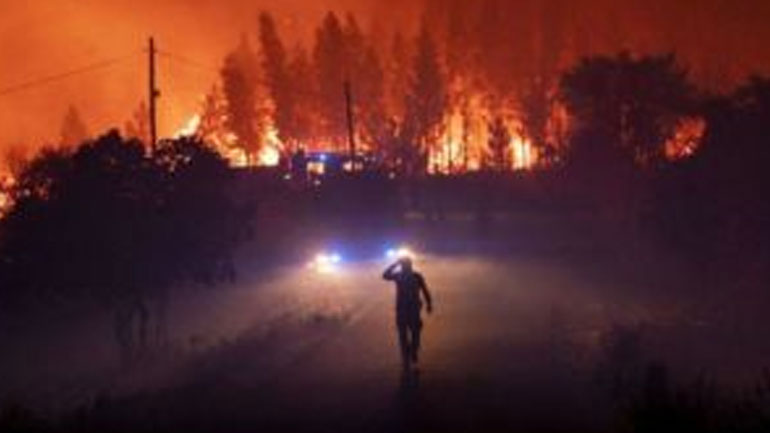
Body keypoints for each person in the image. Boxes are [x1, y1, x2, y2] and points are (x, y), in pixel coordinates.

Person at [382, 257, 433, 371]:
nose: (405, 267)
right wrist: (429, 304)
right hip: (409, 309)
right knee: (412, 334)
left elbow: (385, 275)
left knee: (408, 334)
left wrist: (395, 264)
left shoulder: (404, 276)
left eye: (405, 264)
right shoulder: (413, 276)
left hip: (406, 309)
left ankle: (410, 354)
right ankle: (410, 354)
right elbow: (384, 276)